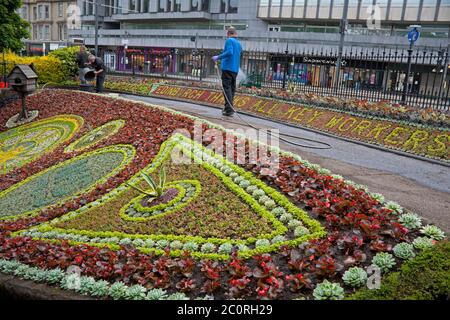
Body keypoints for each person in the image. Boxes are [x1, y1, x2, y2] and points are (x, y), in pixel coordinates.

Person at [212, 26, 242, 116]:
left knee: (227, 88)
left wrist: (218, 57)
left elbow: (229, 52)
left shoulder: (229, 41)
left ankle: (229, 109)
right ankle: (228, 108)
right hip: (235, 69)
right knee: (232, 89)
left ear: (228, 34)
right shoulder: (239, 43)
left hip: (227, 68)